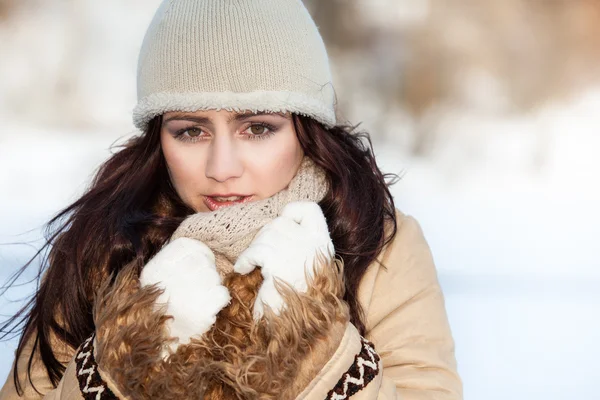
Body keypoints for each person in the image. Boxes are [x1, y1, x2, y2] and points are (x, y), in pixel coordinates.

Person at [0, 0, 463, 399]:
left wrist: (317, 347)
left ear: (307, 128)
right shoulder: (105, 246)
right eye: (191, 131)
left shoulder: (376, 247)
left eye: (258, 128)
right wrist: (125, 355)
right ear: (158, 137)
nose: (221, 168)